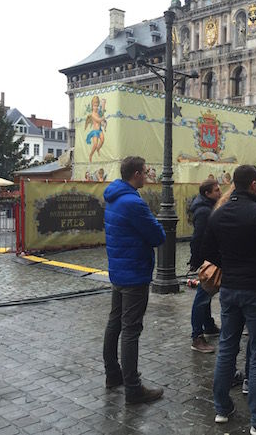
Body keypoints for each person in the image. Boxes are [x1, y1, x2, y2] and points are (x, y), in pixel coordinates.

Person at [201, 165, 256, 435]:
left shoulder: (218, 214)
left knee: (227, 346)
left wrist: (230, 265)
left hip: (229, 289)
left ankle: (221, 406)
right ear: (253, 184)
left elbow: (206, 251)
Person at [102, 156, 166, 404]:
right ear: (137, 174)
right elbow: (157, 235)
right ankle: (133, 387)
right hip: (134, 272)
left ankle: (112, 374)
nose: (148, 175)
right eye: (146, 171)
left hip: (118, 269)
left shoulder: (114, 197)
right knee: (131, 329)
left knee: (115, 322)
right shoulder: (133, 202)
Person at [189, 179, 222, 354]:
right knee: (202, 296)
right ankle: (197, 336)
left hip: (210, 258)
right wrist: (198, 260)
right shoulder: (203, 211)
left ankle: (208, 325)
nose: (220, 192)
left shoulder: (209, 206)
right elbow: (198, 238)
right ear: (207, 193)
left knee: (208, 292)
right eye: (216, 190)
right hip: (208, 260)